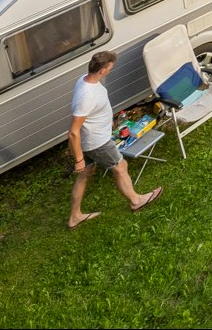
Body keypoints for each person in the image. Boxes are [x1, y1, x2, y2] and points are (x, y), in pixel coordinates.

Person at [68, 49, 160, 227]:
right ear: (103, 70)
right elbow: (73, 132)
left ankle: (74, 216)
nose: (111, 70)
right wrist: (79, 160)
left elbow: (93, 110)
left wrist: (107, 119)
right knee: (120, 166)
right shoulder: (86, 95)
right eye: (110, 67)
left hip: (92, 139)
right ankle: (136, 201)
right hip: (97, 143)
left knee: (85, 175)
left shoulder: (85, 79)